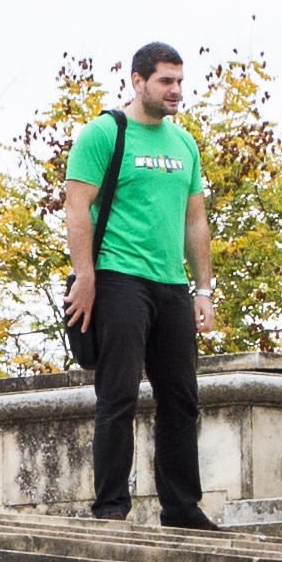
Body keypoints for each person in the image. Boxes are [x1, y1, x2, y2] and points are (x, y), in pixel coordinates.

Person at [60, 43, 215, 525]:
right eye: (166, 81)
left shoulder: (184, 143)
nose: (176, 91)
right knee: (119, 393)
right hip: (118, 278)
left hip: (170, 284)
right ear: (138, 81)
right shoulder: (105, 134)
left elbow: (195, 220)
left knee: (181, 398)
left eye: (180, 81)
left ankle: (183, 508)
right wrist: (86, 276)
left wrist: (204, 289)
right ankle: (110, 507)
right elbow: (76, 207)